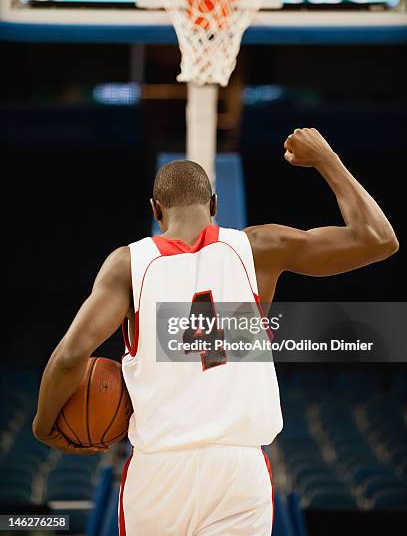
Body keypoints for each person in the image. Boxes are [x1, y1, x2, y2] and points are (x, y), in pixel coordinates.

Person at [33, 128, 398, 535]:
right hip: (238, 471)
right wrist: (327, 158)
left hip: (158, 470)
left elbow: (69, 357)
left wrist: (43, 424)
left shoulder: (128, 264)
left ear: (155, 210)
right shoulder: (260, 247)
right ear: (215, 205)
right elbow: (379, 240)